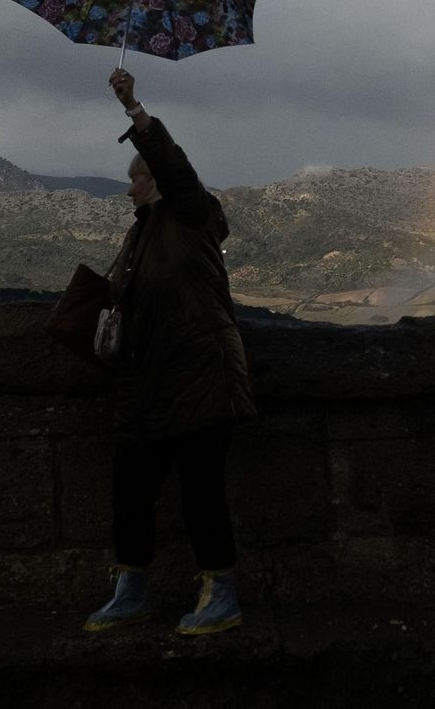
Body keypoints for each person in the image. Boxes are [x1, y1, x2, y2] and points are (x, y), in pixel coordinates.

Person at [83, 68, 256, 636]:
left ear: (151, 179)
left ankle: (221, 594)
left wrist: (136, 111)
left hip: (199, 377)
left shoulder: (190, 213)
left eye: (134, 179)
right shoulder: (142, 231)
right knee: (129, 493)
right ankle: (130, 589)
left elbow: (178, 170)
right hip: (147, 382)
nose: (128, 188)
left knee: (201, 494)